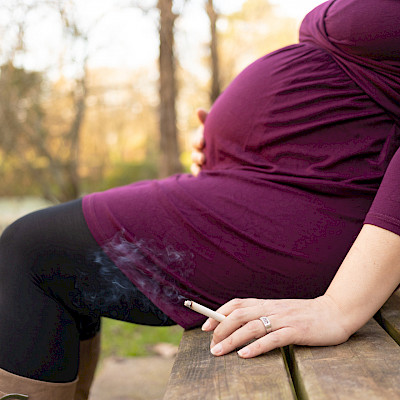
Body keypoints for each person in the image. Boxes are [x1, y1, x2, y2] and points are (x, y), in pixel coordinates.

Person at [1, 0, 400, 398]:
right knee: (50, 258)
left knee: (33, 252)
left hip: (326, 217)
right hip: (279, 186)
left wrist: (341, 306)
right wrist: (232, 141)